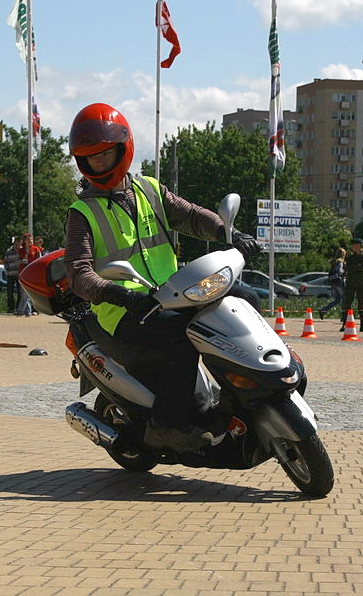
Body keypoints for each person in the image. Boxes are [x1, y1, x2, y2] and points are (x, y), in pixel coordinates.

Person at [63, 103, 260, 453]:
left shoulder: (150, 190)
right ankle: (169, 426)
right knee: (182, 339)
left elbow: (192, 217)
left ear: (123, 149)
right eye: (92, 157)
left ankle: (251, 388)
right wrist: (118, 295)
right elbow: (79, 275)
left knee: (244, 299)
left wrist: (230, 232)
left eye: (106, 154)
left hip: (173, 295)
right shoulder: (82, 213)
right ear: (82, 161)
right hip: (123, 312)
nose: (100, 162)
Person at [339, 238, 363, 332]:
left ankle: (362, 325)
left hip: (361, 282)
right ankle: (345, 324)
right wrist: (356, 266)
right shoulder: (350, 256)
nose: (354, 246)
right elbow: (348, 267)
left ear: (360, 245)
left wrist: (354, 267)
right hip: (350, 282)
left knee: (362, 304)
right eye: (353, 245)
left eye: (356, 244)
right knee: (347, 303)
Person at [16, 233, 42, 316]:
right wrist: (21, 261)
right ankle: (27, 311)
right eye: (28, 239)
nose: (30, 241)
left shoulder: (36, 249)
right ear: (24, 241)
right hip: (23, 272)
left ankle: (22, 311)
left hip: (32, 273)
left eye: (31, 239)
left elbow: (39, 260)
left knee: (28, 293)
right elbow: (17, 260)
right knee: (23, 293)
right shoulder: (21, 250)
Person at [317, 247, 346, 321]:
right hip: (339, 282)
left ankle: (323, 310)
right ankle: (344, 317)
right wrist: (345, 272)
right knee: (344, 299)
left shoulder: (333, 262)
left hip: (333, 282)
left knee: (337, 299)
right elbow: (340, 271)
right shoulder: (340, 262)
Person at [4, 237, 21, 314]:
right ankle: (11, 308)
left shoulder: (22, 251)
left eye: (19, 244)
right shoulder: (8, 251)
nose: (17, 246)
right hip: (10, 274)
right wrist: (7, 268)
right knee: (10, 292)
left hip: (19, 275)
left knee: (20, 292)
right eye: (16, 244)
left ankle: (18, 308)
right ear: (14, 243)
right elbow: (5, 261)